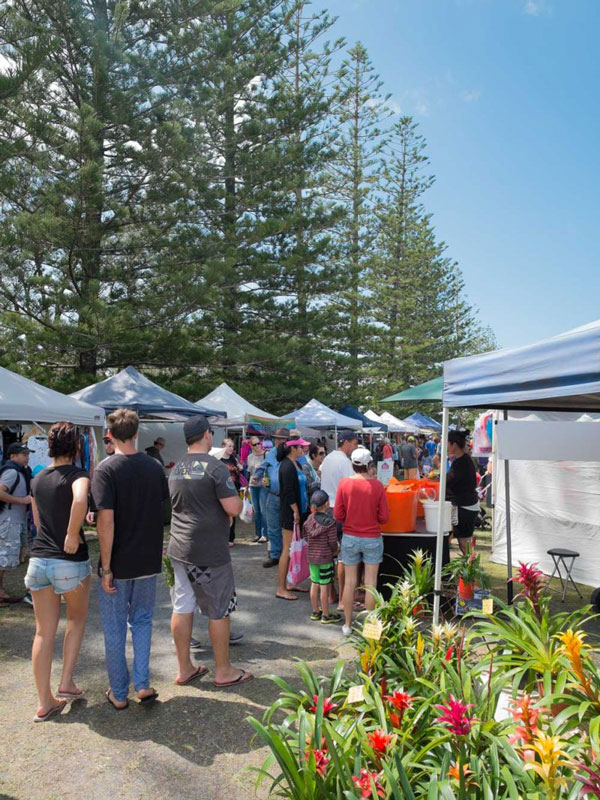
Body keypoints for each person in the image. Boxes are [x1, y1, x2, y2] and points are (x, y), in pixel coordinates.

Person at [167, 416, 253, 688]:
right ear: (206, 435)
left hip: (179, 546)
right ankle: (224, 670)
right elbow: (233, 508)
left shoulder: (177, 466)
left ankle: (185, 668)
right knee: (219, 610)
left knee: (182, 607)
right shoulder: (214, 467)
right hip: (207, 551)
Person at [92, 408, 169, 710]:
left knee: (114, 626)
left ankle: (119, 692)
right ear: (138, 433)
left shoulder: (106, 470)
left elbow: (105, 521)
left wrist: (107, 566)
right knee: (143, 621)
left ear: (110, 435)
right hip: (147, 557)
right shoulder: (153, 467)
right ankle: (142, 683)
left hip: (120, 560)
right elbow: (163, 513)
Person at [24, 422, 91, 722]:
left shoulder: (37, 480)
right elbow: (79, 499)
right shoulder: (78, 476)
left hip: (39, 562)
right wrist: (72, 532)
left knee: (43, 632)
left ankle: (44, 701)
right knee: (75, 620)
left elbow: (38, 523)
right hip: (69, 562)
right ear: (76, 447)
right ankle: (66, 682)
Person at [335, 446, 390, 636]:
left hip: (350, 536)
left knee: (349, 583)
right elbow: (384, 517)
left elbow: (338, 514)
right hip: (372, 538)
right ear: (369, 465)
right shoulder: (377, 486)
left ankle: (348, 625)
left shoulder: (344, 484)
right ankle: (370, 627)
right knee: (370, 583)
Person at [320, 430, 358, 609]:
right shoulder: (345, 462)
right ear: (348, 443)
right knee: (343, 556)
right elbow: (352, 487)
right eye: (355, 443)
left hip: (325, 509)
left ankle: (330, 595)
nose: (355, 447)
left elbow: (320, 474)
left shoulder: (327, 458)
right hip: (340, 510)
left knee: (327, 554)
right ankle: (343, 598)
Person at [276, 436, 310, 601]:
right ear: (293, 449)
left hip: (300, 511)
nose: (303, 450)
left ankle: (291, 582)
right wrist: (295, 511)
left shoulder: (296, 464)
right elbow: (288, 492)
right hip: (290, 513)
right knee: (287, 550)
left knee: (294, 549)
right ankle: (281, 588)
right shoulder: (286, 466)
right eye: (301, 447)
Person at [0, 442, 33, 604]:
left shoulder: (22, 472)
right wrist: (22, 500)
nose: (27, 457)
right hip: (8, 520)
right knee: (3, 557)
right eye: (24, 454)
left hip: (16, 520)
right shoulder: (12, 472)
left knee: (10, 557)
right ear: (13, 456)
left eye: (27, 454)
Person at [253, 427, 289, 568]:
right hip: (273, 495)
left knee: (288, 528)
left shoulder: (293, 453)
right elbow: (263, 466)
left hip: (288, 497)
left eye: (281, 439)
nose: (278, 441)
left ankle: (289, 555)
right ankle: (275, 555)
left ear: (287, 441)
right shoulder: (271, 453)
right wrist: (257, 475)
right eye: (276, 438)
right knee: (272, 527)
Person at [304, 489, 340, 624]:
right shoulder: (330, 522)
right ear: (327, 504)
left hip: (312, 557)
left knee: (314, 583)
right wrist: (334, 550)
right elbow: (332, 542)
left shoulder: (309, 520)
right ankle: (326, 614)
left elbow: (306, 537)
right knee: (325, 585)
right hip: (325, 557)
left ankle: (315, 611)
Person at [446, 429, 479, 554]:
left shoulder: (463, 462)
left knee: (464, 544)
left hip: (466, 508)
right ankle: (468, 570)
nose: (446, 446)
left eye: (447, 443)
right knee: (462, 544)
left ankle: (471, 571)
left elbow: (449, 481)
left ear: (454, 444)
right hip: (464, 506)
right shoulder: (461, 460)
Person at [219, 438, 242, 546]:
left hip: (234, 490)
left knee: (232, 513)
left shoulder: (234, 459)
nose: (231, 448)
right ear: (223, 446)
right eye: (229, 446)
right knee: (222, 514)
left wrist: (240, 467)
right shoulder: (218, 459)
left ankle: (230, 538)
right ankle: (222, 537)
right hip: (222, 490)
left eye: (232, 446)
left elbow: (240, 470)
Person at [247, 436, 267, 544]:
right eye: (255, 444)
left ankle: (264, 534)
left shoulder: (265, 455)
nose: (258, 446)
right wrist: (247, 486)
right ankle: (257, 533)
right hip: (253, 485)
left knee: (263, 510)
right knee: (256, 510)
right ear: (251, 446)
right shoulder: (249, 457)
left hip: (263, 485)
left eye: (258, 443)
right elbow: (249, 473)